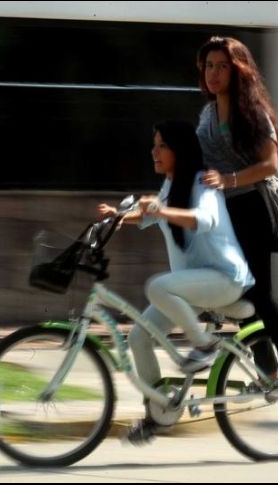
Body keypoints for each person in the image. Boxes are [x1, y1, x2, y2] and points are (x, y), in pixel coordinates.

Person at [98, 119, 254, 444]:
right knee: (139, 338)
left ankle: (204, 345)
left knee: (158, 286)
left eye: (162, 145)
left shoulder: (202, 181)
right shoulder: (172, 184)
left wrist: (162, 210)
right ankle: (158, 414)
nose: (153, 151)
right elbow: (151, 216)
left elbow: (205, 220)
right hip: (196, 285)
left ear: (179, 150)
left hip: (225, 278)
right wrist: (116, 216)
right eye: (154, 145)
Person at [195, 36, 278, 397]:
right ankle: (268, 372)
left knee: (259, 291)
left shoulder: (252, 112)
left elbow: (271, 165)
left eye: (222, 66)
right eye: (209, 66)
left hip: (254, 207)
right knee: (238, 292)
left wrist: (229, 179)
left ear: (237, 70)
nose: (214, 73)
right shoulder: (209, 114)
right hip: (224, 212)